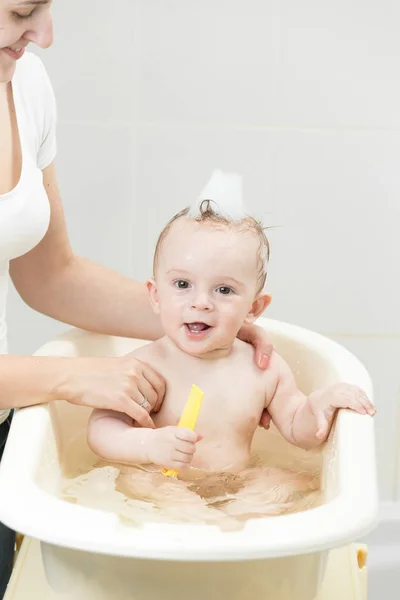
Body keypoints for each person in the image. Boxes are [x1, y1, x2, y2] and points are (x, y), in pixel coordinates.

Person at [0, 3, 272, 597]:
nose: (45, 34)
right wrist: (71, 378)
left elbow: (51, 274)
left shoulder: (22, 80)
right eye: (23, 9)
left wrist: (207, 321)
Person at [87, 195, 375, 477]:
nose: (201, 302)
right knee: (146, 485)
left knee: (287, 484)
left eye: (224, 290)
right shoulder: (143, 367)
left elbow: (298, 431)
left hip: (236, 480)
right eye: (183, 284)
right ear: (156, 295)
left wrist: (318, 405)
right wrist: (148, 445)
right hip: (162, 481)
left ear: (253, 307)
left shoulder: (263, 369)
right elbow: (102, 427)